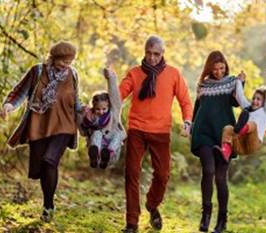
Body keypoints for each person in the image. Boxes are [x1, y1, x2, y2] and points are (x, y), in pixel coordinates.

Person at [0, 41, 82, 222]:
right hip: (39, 125)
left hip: (64, 126)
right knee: (40, 168)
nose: (66, 65)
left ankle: (48, 207)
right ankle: (47, 203)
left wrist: (87, 113)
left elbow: (76, 101)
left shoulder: (73, 75)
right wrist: (8, 105)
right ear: (53, 57)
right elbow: (20, 92)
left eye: (69, 62)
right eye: (63, 61)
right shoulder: (37, 71)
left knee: (50, 161)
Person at [119, 35, 193, 233]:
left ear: (163, 54)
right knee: (131, 173)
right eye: (149, 53)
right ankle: (131, 222)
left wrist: (187, 121)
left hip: (161, 131)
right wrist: (110, 82)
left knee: (162, 175)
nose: (152, 58)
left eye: (156, 54)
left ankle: (152, 205)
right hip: (136, 129)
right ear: (144, 52)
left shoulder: (173, 74)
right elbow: (118, 96)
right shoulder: (134, 74)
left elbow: (185, 101)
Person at [190, 50, 247, 233]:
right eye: (215, 69)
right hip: (204, 133)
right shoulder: (202, 85)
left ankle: (222, 220)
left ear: (226, 67)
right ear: (209, 68)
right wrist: (190, 127)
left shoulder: (231, 82)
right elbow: (197, 108)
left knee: (221, 178)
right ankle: (206, 215)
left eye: (222, 68)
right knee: (208, 170)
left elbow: (237, 103)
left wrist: (241, 83)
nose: (219, 72)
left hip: (225, 135)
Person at [220, 71, 266, 161]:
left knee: (253, 125)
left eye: (258, 99)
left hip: (252, 143)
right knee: (228, 128)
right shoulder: (247, 108)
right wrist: (240, 81)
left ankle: (240, 129)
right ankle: (225, 152)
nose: (254, 101)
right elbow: (240, 96)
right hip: (240, 145)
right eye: (254, 98)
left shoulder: (265, 111)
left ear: (264, 102)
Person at [79, 68, 126, 169]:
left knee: (118, 134)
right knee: (96, 132)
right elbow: (83, 131)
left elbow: (115, 97)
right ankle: (95, 155)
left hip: (113, 151)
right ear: (93, 107)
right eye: (97, 109)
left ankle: (107, 153)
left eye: (104, 109)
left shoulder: (113, 113)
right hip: (98, 146)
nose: (101, 112)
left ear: (109, 106)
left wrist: (111, 78)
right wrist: (79, 112)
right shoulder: (90, 117)